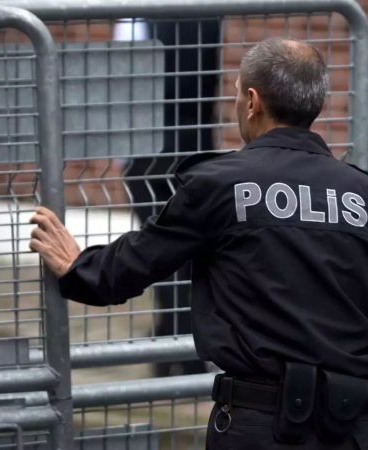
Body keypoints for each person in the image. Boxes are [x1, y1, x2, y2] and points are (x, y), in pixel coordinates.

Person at [30, 38, 368, 450]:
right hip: (360, 427)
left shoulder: (218, 185)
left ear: (252, 101)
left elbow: (134, 266)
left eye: (237, 94)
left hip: (259, 427)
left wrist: (78, 267)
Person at [116, 18, 221, 377]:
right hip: (195, 152)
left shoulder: (137, 18)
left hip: (148, 155)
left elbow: (123, 85)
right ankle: (177, 342)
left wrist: (124, 157)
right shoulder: (209, 17)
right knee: (191, 255)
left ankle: (172, 347)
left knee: (160, 254)